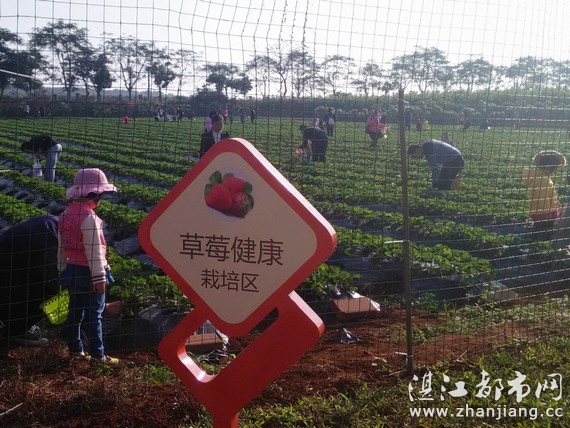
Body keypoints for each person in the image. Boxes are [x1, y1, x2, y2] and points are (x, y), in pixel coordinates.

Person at [58, 168, 119, 364]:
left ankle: (75, 349)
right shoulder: (89, 217)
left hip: (72, 270)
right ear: (95, 195)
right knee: (95, 314)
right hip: (90, 273)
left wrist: (62, 269)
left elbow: (61, 247)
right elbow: (95, 250)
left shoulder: (65, 215)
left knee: (75, 311)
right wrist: (99, 278)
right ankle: (98, 355)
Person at [0, 215, 60, 347]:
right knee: (56, 295)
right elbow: (49, 275)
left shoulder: (49, 221)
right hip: (11, 273)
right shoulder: (53, 237)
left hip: (11, 267)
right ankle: (17, 330)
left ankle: (11, 323)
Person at [522, 151, 566, 241]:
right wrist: (547, 213)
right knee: (546, 230)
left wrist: (556, 204)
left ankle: (536, 240)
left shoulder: (540, 176)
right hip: (544, 213)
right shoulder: (543, 179)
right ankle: (542, 242)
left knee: (540, 228)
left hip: (537, 210)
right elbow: (543, 198)